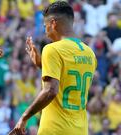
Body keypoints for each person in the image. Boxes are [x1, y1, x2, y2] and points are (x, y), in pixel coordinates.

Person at [10, 1, 97, 135]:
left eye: (45, 26)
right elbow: (68, 80)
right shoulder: (89, 53)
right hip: (80, 130)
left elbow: (51, 90)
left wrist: (24, 117)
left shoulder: (52, 49)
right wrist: (42, 65)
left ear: (53, 23)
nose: (46, 32)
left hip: (56, 129)